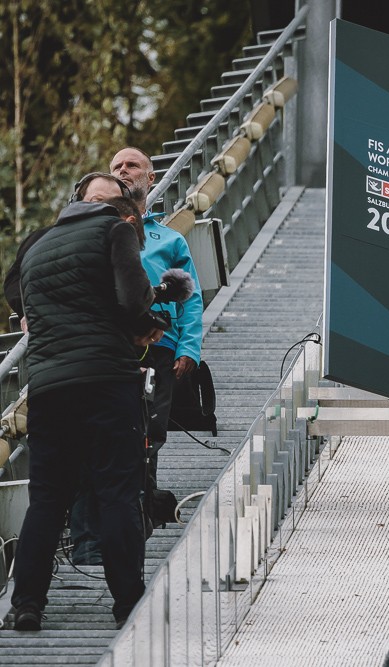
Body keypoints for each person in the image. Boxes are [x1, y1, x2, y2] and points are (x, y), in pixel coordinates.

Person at [4, 192, 161, 631]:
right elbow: (132, 299)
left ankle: (27, 603)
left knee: (47, 499)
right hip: (106, 379)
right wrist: (147, 326)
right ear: (128, 216)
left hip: (49, 387)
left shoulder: (37, 245)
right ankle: (128, 602)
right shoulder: (116, 230)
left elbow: (30, 307)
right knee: (117, 491)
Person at [69, 147, 205, 564]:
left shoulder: (169, 239)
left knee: (149, 435)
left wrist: (189, 347)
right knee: (102, 436)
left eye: (132, 166)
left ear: (151, 177)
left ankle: (138, 522)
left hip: (158, 347)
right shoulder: (90, 234)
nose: (123, 171)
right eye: (116, 167)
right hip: (105, 347)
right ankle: (94, 535)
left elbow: (191, 297)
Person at [3, 173, 132, 331]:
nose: (106, 207)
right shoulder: (41, 238)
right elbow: (14, 280)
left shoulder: (121, 243)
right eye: (98, 200)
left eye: (115, 204)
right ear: (76, 202)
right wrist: (27, 311)